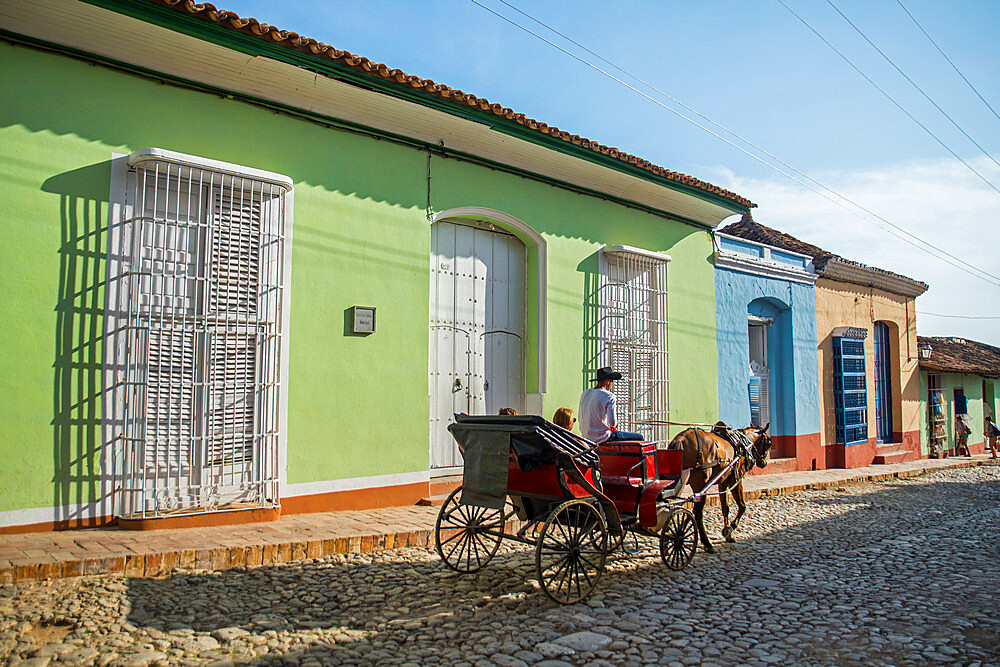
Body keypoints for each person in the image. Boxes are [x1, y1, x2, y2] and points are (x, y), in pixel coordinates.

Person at [578, 367, 644, 443]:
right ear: (608, 381)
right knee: (639, 437)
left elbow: (581, 416)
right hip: (602, 437)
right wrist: (615, 424)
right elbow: (612, 422)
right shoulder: (609, 396)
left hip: (586, 437)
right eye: (612, 381)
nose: (612, 384)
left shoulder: (585, 393)